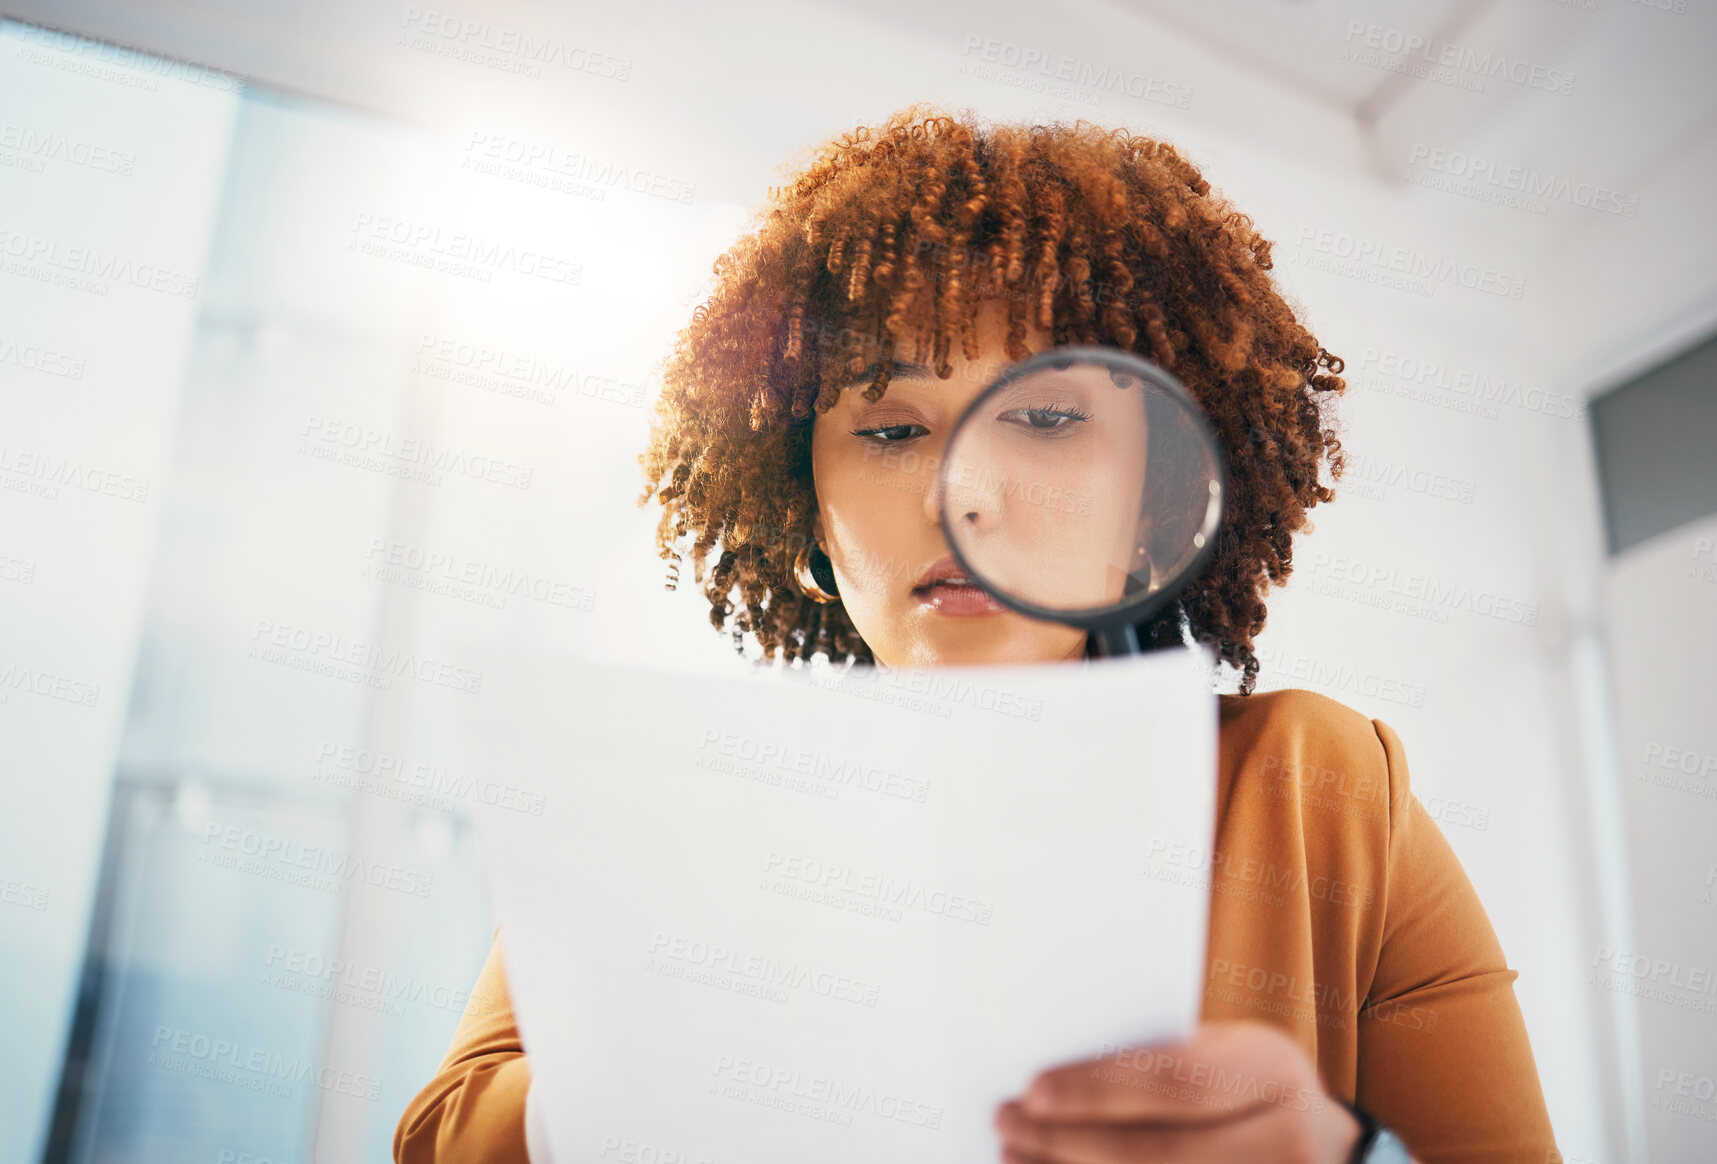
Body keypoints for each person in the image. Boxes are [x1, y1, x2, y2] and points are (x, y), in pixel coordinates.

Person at [394, 105, 1560, 1163]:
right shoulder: (672, 785)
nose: (966, 499)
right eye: (893, 430)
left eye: (1049, 419)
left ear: (1157, 498)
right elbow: (446, 1137)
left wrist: (1341, 1150)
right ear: (800, 499)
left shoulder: (1327, 789)